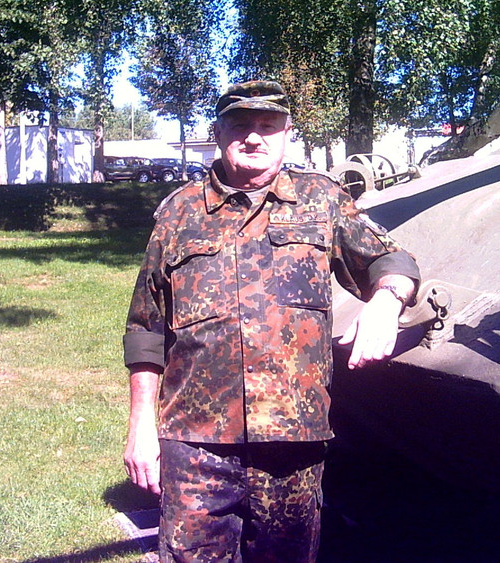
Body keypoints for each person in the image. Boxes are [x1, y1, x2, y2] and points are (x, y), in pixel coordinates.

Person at [122, 80, 420, 562]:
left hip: (293, 439)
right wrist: (140, 427)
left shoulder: (322, 200)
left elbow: (392, 261)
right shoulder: (178, 213)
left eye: (268, 126)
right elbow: (145, 330)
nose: (254, 137)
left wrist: (386, 301)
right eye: (241, 125)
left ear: (287, 134)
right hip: (195, 441)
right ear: (218, 134)